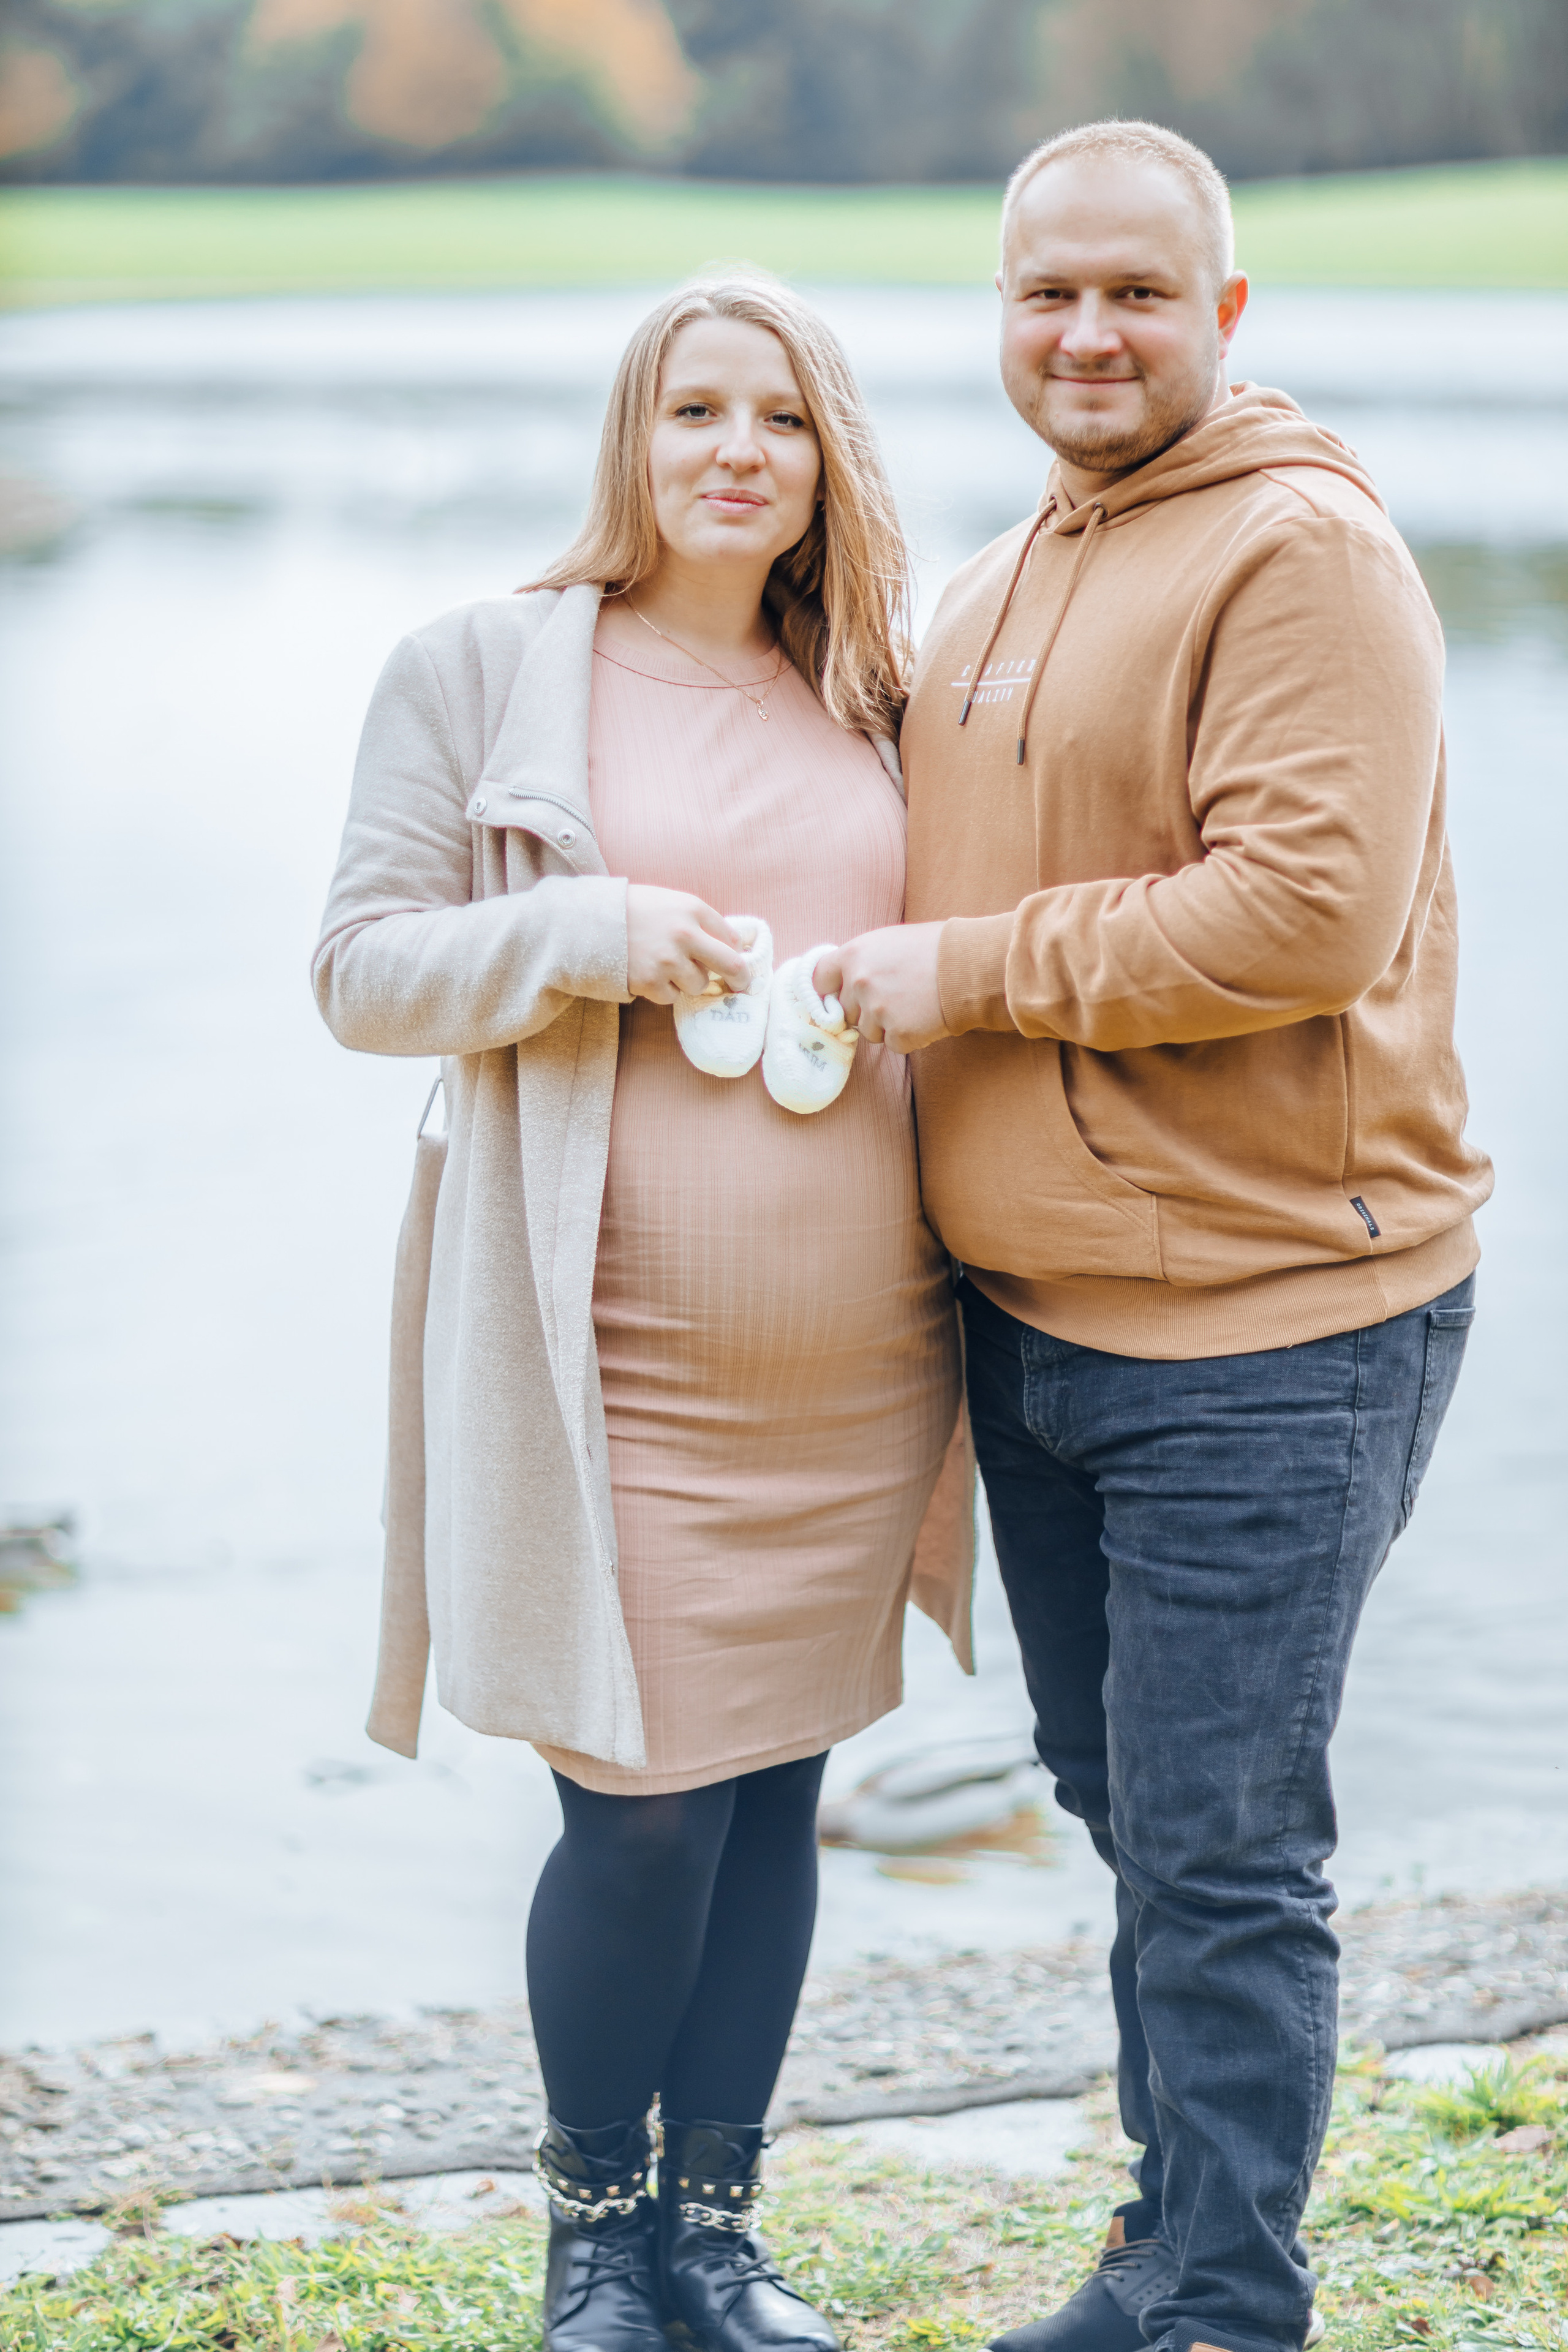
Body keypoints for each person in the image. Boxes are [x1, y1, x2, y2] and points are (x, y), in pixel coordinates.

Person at [816, 121, 1493, 2352]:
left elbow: (1299, 914)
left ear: (1222, 314)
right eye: (1043, 295)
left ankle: (1225, 2301)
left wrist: (972, 971)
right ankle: (1168, 2240)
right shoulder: (1006, 579)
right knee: (1126, 1801)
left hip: (1276, 1325)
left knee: (1218, 1847)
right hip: (1041, 1326)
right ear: (999, 316)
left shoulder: (1300, 554)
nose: (1084, 333)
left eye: (1132, 293)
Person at [312, 279, 970, 2352]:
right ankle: (595, 2239)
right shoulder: (486, 671)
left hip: (863, 1361)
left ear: (825, 457)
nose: (734, 450)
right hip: (610, 1366)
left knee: (778, 1781)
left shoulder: (880, 692)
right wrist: (585, 934)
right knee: (645, 1797)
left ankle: (716, 2235)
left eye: (779, 416)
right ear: (635, 437)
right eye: (694, 409)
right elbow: (357, 972)